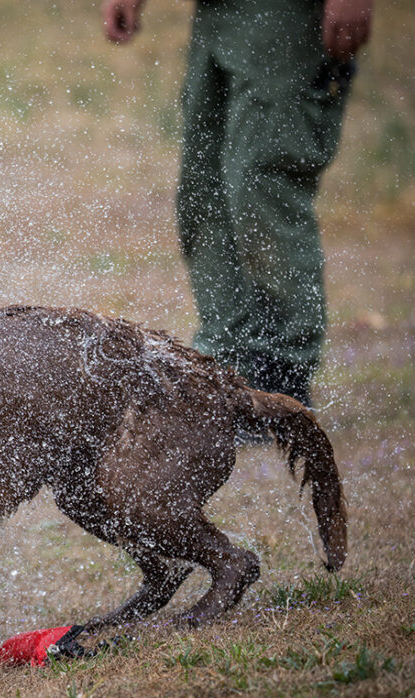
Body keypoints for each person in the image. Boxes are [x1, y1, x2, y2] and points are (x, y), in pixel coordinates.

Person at [102, 0, 373, 406]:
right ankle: (225, 369)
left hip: (289, 16)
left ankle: (281, 381)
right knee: (203, 192)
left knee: (261, 190)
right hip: (217, 13)